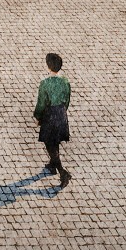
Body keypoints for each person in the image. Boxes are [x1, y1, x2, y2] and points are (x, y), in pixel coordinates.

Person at [34, 52, 72, 188]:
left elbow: (41, 103)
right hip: (61, 113)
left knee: (49, 142)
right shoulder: (65, 81)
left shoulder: (45, 83)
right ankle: (52, 164)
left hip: (50, 115)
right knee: (54, 140)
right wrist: (63, 111)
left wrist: (38, 116)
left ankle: (62, 172)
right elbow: (67, 99)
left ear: (48, 66)